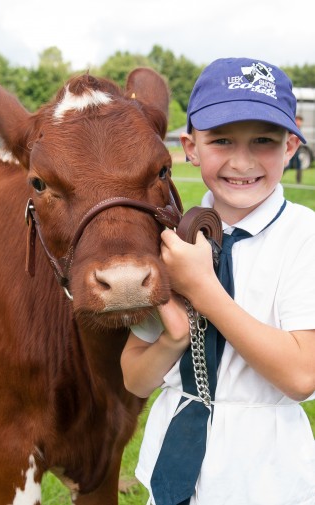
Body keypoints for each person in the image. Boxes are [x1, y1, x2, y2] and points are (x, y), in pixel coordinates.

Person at [121, 57, 315, 505]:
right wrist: (174, 339)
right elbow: (134, 380)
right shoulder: (169, 240)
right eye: (222, 140)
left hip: (267, 477)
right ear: (190, 146)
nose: (242, 161)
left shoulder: (303, 237)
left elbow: (302, 376)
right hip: (172, 464)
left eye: (263, 141)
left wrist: (204, 291)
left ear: (290, 147)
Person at [287, 115, 304, 183]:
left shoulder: (299, 129)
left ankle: (298, 181)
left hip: (296, 150)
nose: (299, 123)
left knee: (299, 166)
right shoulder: (291, 128)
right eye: (298, 121)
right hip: (290, 150)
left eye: (300, 122)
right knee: (287, 165)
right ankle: (277, 178)